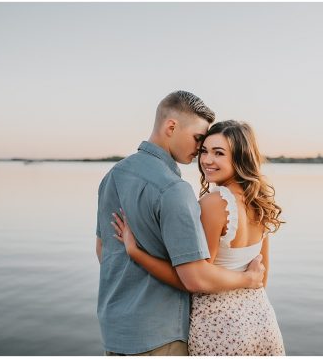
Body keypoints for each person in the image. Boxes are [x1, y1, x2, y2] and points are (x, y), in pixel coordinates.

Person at [96, 91, 266, 356]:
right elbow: (196, 277)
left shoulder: (113, 176)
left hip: (115, 328)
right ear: (171, 127)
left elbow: (103, 251)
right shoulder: (174, 189)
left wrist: (134, 255)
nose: (201, 152)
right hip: (162, 335)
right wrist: (247, 278)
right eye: (200, 140)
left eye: (215, 151)